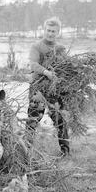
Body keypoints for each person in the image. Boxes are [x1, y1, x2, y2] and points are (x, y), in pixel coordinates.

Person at [26, 17, 70, 157]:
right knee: (33, 119)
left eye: (54, 31)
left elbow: (65, 68)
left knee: (60, 120)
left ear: (58, 32)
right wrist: (46, 72)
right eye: (48, 30)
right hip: (38, 88)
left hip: (54, 90)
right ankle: (25, 150)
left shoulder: (60, 49)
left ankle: (65, 152)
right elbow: (33, 64)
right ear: (44, 30)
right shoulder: (37, 46)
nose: (50, 33)